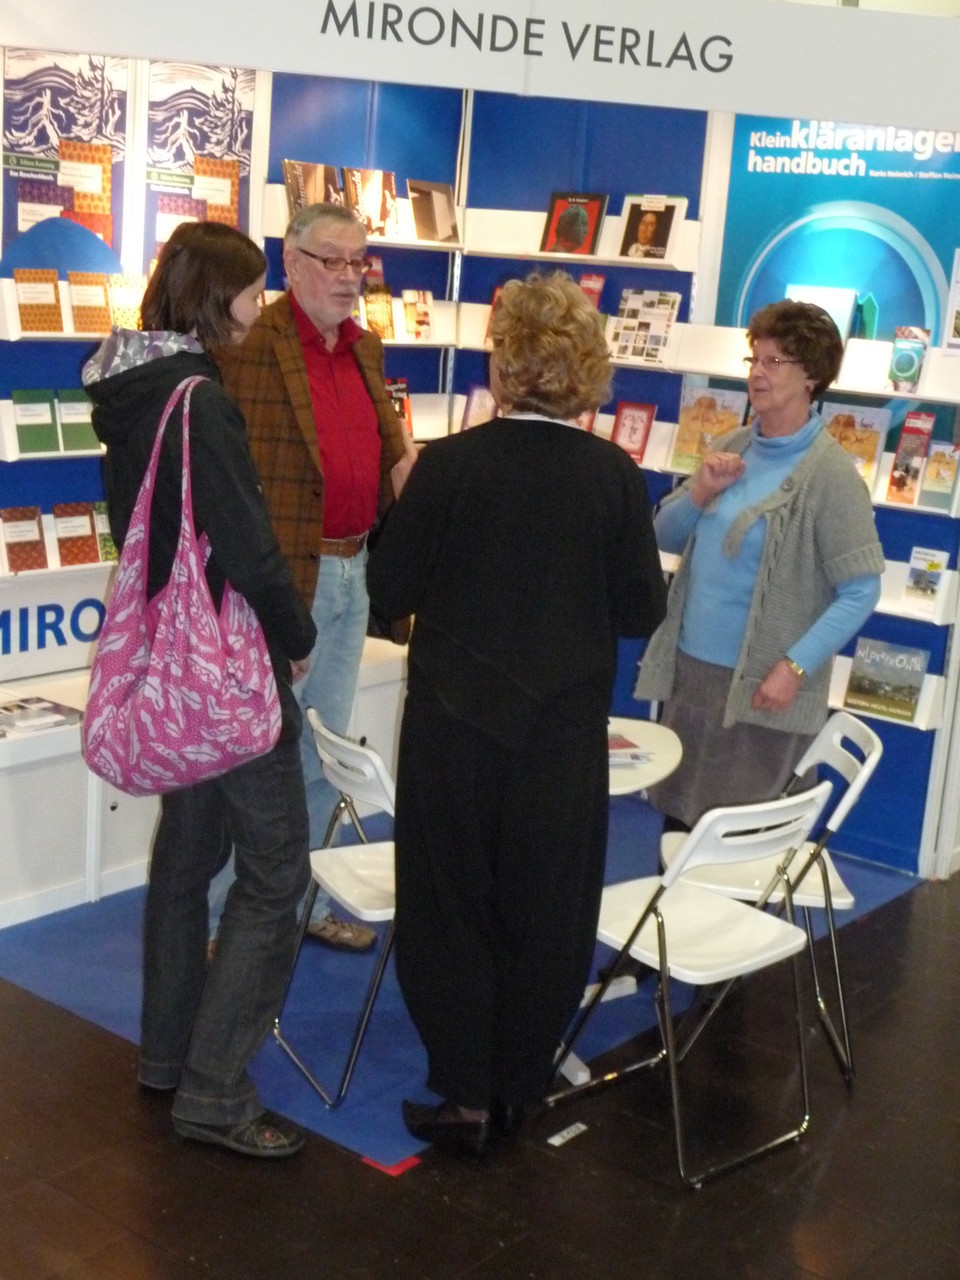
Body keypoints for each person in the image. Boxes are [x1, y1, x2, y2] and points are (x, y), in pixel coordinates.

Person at [366, 270, 668, 1157]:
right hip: (562, 733)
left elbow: (392, 590)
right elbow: (639, 611)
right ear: (585, 367)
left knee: (449, 900)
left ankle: (464, 1093)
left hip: (455, 726)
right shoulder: (613, 474)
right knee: (548, 905)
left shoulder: (450, 464)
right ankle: (520, 1086)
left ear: (504, 363)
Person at [83, 221, 317, 1157]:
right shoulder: (202, 402)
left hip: (173, 669)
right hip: (223, 663)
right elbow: (248, 544)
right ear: (217, 296)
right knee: (277, 875)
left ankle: (169, 1057)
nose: (261, 309)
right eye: (254, 291)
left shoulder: (131, 388)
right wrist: (293, 640)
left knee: (186, 859)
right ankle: (216, 1092)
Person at [216, 202, 416, 953]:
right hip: (277, 583)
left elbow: (391, 450)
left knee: (323, 751)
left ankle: (298, 901)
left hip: (351, 569)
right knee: (251, 755)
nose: (347, 276)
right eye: (331, 260)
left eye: (357, 261)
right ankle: (221, 918)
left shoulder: (362, 348)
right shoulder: (251, 348)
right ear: (291, 261)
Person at [636, 299, 885, 830]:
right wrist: (699, 491)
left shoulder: (831, 476)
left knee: (732, 845)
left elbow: (861, 589)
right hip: (695, 673)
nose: (757, 373)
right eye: (755, 359)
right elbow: (661, 535)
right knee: (678, 828)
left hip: (762, 690)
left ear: (812, 376)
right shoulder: (730, 444)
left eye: (775, 362)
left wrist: (794, 666)